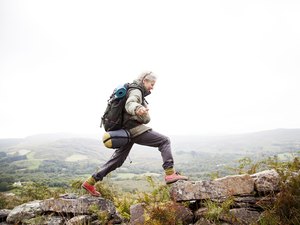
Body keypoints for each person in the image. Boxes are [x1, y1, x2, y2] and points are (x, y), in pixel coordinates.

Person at [82, 71, 188, 197]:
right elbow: (130, 103)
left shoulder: (132, 89)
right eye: (152, 84)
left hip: (125, 132)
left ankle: (90, 181)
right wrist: (138, 108)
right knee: (164, 141)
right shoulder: (136, 91)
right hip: (133, 130)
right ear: (144, 81)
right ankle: (170, 173)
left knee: (117, 160)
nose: (152, 87)